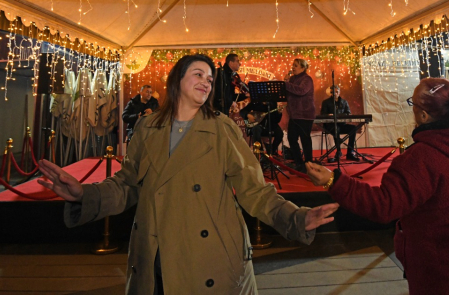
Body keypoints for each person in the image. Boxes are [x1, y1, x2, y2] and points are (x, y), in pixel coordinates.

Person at [37, 54, 338, 294]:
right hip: (154, 256)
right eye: (198, 75)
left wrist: (296, 218)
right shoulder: (147, 128)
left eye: (210, 78)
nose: (206, 82)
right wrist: (84, 194)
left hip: (209, 257)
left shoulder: (222, 129)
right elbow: (127, 185)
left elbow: (255, 191)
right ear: (177, 80)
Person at [306, 78, 449, 295]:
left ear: (423, 115)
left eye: (413, 104)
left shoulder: (422, 157)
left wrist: (333, 181)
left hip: (443, 270)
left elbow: (384, 205)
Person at [285, 58, 315, 172]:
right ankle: (299, 163)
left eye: (296, 65)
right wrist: (286, 83)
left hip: (304, 114)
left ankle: (308, 163)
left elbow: (301, 91)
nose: (293, 67)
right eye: (293, 65)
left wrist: (286, 84)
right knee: (291, 138)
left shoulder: (307, 79)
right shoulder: (292, 79)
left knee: (305, 139)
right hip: (294, 114)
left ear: (303, 68)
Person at [320, 85, 363, 162]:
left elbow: (348, 113)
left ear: (339, 92)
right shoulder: (326, 102)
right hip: (330, 126)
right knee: (336, 128)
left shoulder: (344, 102)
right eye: (333, 92)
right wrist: (328, 115)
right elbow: (322, 115)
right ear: (330, 93)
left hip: (342, 125)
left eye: (337, 92)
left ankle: (350, 152)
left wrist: (343, 115)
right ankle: (338, 151)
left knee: (353, 128)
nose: (335, 94)